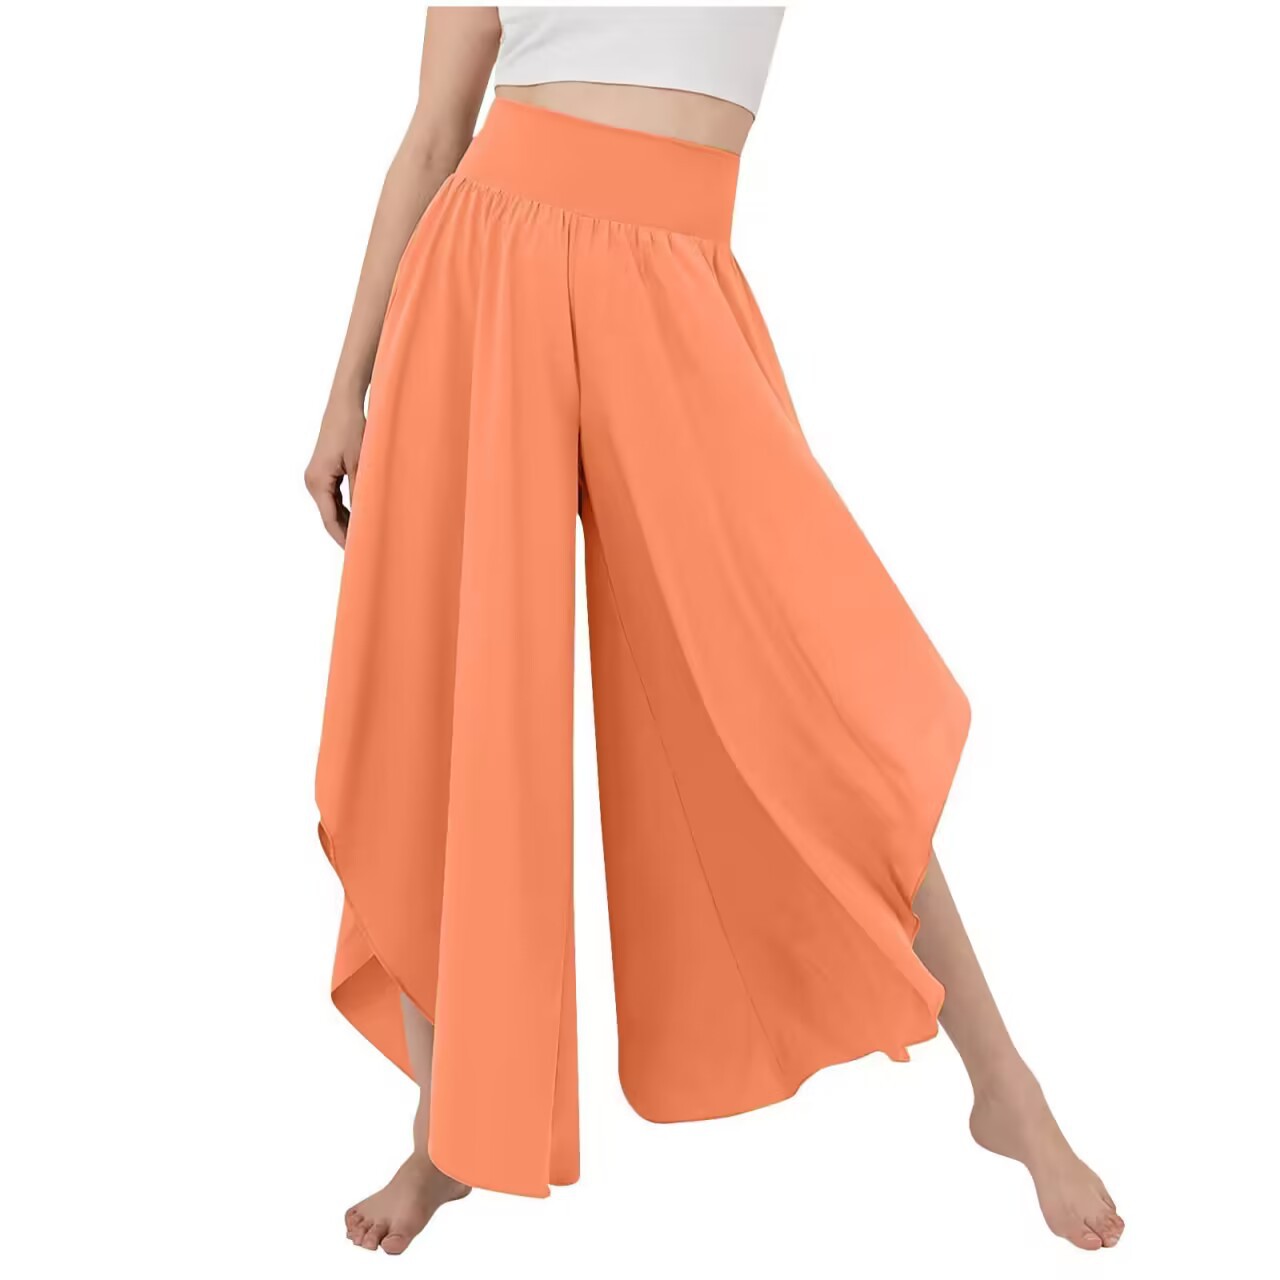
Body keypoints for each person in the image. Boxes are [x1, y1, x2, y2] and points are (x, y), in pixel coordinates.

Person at [304, 6, 1123, 1257]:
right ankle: (446, 1126)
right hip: (478, 276)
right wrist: (343, 392)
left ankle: (1001, 1084)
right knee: (450, 699)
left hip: (676, 293)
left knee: (814, 707)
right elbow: (431, 135)